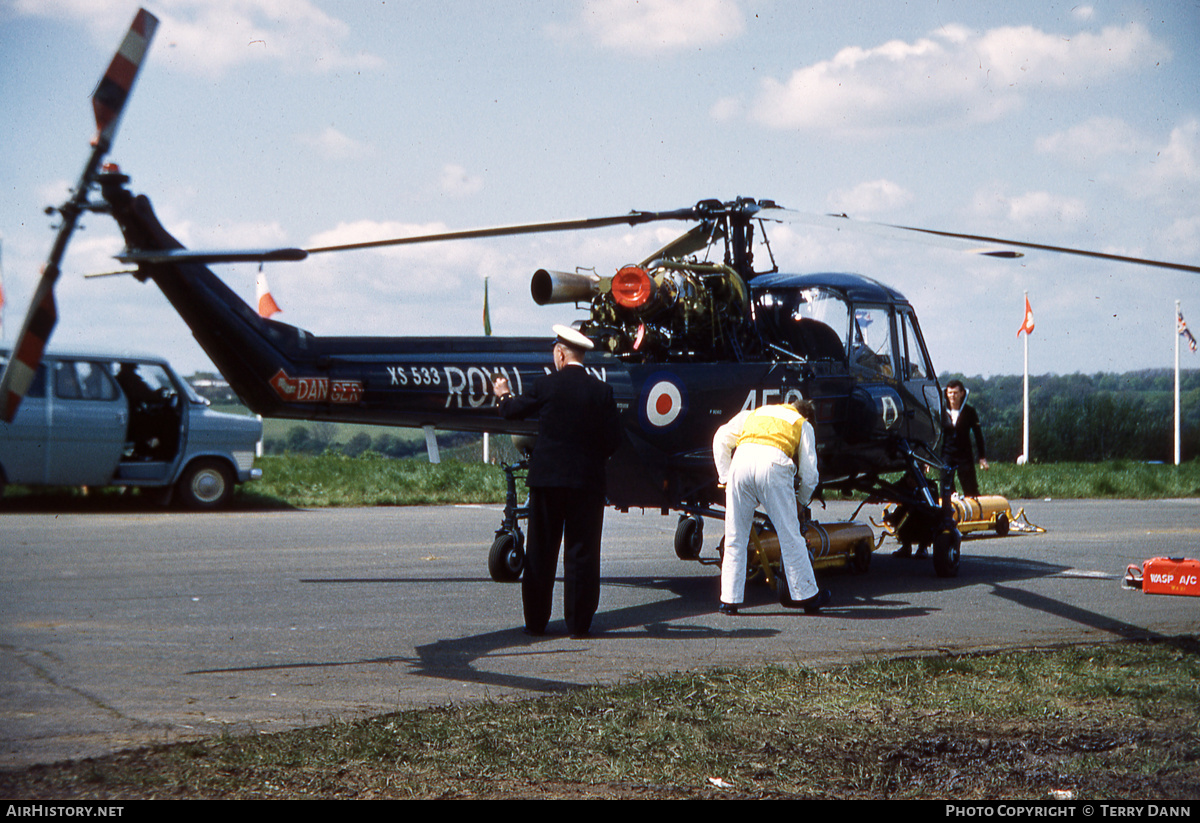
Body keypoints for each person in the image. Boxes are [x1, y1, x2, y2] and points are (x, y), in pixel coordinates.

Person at [492, 325, 622, 637]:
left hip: (547, 481)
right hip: (586, 483)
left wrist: (503, 394)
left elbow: (512, 411)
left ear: (559, 354)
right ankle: (579, 624)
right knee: (583, 552)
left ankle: (536, 623)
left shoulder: (545, 386)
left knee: (541, 551)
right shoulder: (601, 391)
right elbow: (614, 440)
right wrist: (591, 458)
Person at [712, 399, 830, 615]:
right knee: (790, 535)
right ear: (807, 415)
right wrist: (800, 502)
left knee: (735, 536)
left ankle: (729, 601)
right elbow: (810, 475)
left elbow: (720, 437)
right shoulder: (803, 423)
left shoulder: (755, 413)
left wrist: (726, 478)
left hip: (741, 464)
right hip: (773, 466)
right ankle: (809, 598)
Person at [942, 379, 989, 498]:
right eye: (950, 393)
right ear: (946, 394)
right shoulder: (942, 412)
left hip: (964, 455)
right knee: (946, 486)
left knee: (970, 487)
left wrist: (982, 457)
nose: (952, 396)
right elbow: (935, 434)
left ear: (962, 393)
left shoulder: (969, 412)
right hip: (947, 454)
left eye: (955, 393)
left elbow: (978, 435)